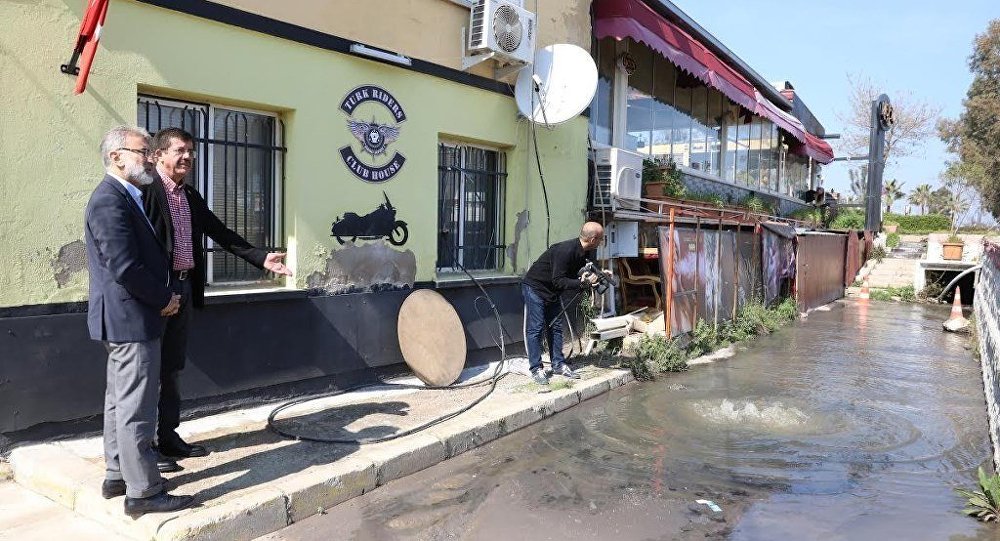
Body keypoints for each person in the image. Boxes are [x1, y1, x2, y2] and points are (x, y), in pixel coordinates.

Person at [144, 128, 294, 472]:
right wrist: (156, 292)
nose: (187, 158)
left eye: (191, 152)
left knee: (172, 369)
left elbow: (221, 233)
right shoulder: (149, 193)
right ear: (160, 155)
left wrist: (261, 258)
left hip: (184, 289)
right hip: (157, 294)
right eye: (180, 151)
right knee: (147, 371)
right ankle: (146, 449)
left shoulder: (190, 195)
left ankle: (167, 437)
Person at [85, 125, 193, 517]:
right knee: (136, 407)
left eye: (150, 151)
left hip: (124, 318)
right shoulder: (109, 200)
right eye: (142, 151)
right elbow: (125, 266)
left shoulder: (126, 196)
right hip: (131, 318)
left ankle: (117, 475)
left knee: (118, 402)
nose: (149, 158)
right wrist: (164, 299)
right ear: (116, 157)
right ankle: (145, 492)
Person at [521, 222, 606, 385]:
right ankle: (536, 368)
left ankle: (558, 364)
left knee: (556, 327)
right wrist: (582, 283)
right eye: (601, 239)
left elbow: (574, 276)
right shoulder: (565, 250)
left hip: (552, 291)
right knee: (536, 328)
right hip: (535, 287)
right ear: (593, 239)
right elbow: (559, 280)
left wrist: (593, 279)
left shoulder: (583, 253)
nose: (601, 242)